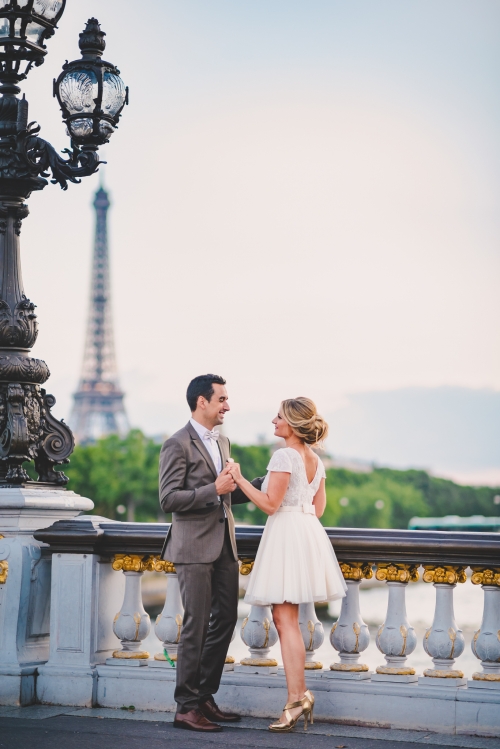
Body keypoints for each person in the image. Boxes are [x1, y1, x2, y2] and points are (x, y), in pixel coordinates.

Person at [228, 397, 347, 733]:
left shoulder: (283, 455)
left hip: (285, 534)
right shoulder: (316, 460)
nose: (273, 421)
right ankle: (298, 696)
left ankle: (297, 697)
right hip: (308, 532)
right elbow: (318, 509)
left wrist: (238, 477)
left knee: (285, 619)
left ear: (293, 424)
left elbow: (269, 504)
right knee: (285, 618)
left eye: (278, 416)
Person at [159, 374, 263, 734]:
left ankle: (204, 696)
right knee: (196, 625)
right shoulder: (176, 444)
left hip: (224, 545)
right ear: (201, 402)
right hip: (193, 547)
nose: (227, 406)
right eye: (221, 399)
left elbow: (228, 494)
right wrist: (212, 488)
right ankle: (185, 707)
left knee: (227, 619)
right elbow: (168, 499)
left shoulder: (223, 440)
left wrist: (270, 479)